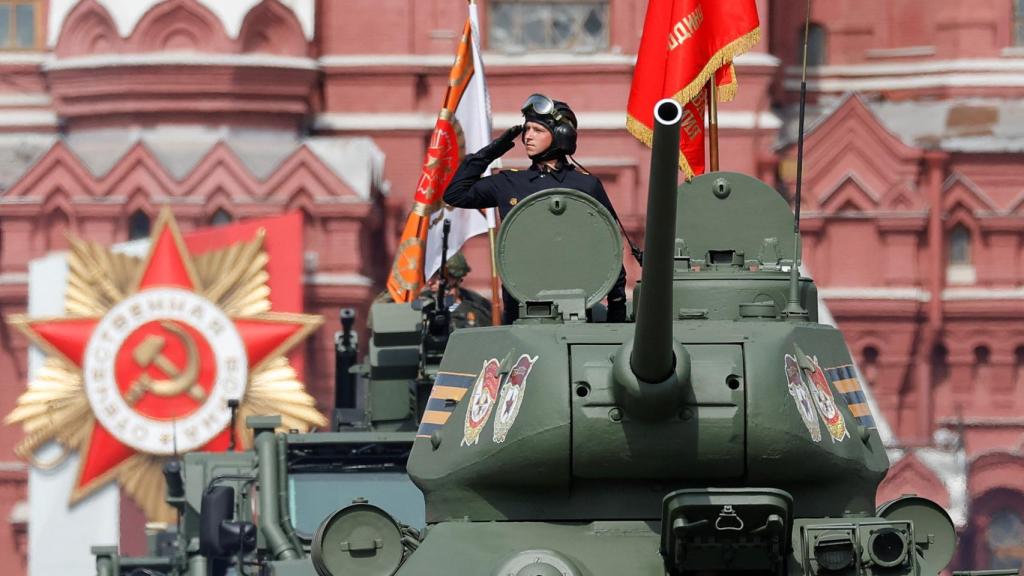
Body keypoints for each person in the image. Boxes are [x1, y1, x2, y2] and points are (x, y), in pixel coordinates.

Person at [443, 93, 627, 324]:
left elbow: (608, 246)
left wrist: (617, 309)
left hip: (578, 305)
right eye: (526, 130)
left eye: (537, 130)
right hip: (520, 306)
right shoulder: (509, 182)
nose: (528, 137)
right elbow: (455, 194)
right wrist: (492, 151)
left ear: (561, 136)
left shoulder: (586, 185)